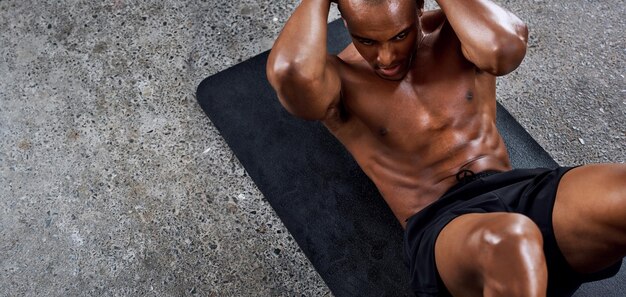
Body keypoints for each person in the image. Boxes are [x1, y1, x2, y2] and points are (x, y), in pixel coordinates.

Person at [266, 0, 626, 296]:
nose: (386, 57)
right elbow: (290, 73)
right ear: (342, 18)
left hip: (519, 190)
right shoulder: (338, 80)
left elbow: (506, 47)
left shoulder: (459, 36)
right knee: (512, 241)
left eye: (400, 35)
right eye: (367, 41)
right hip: (443, 225)